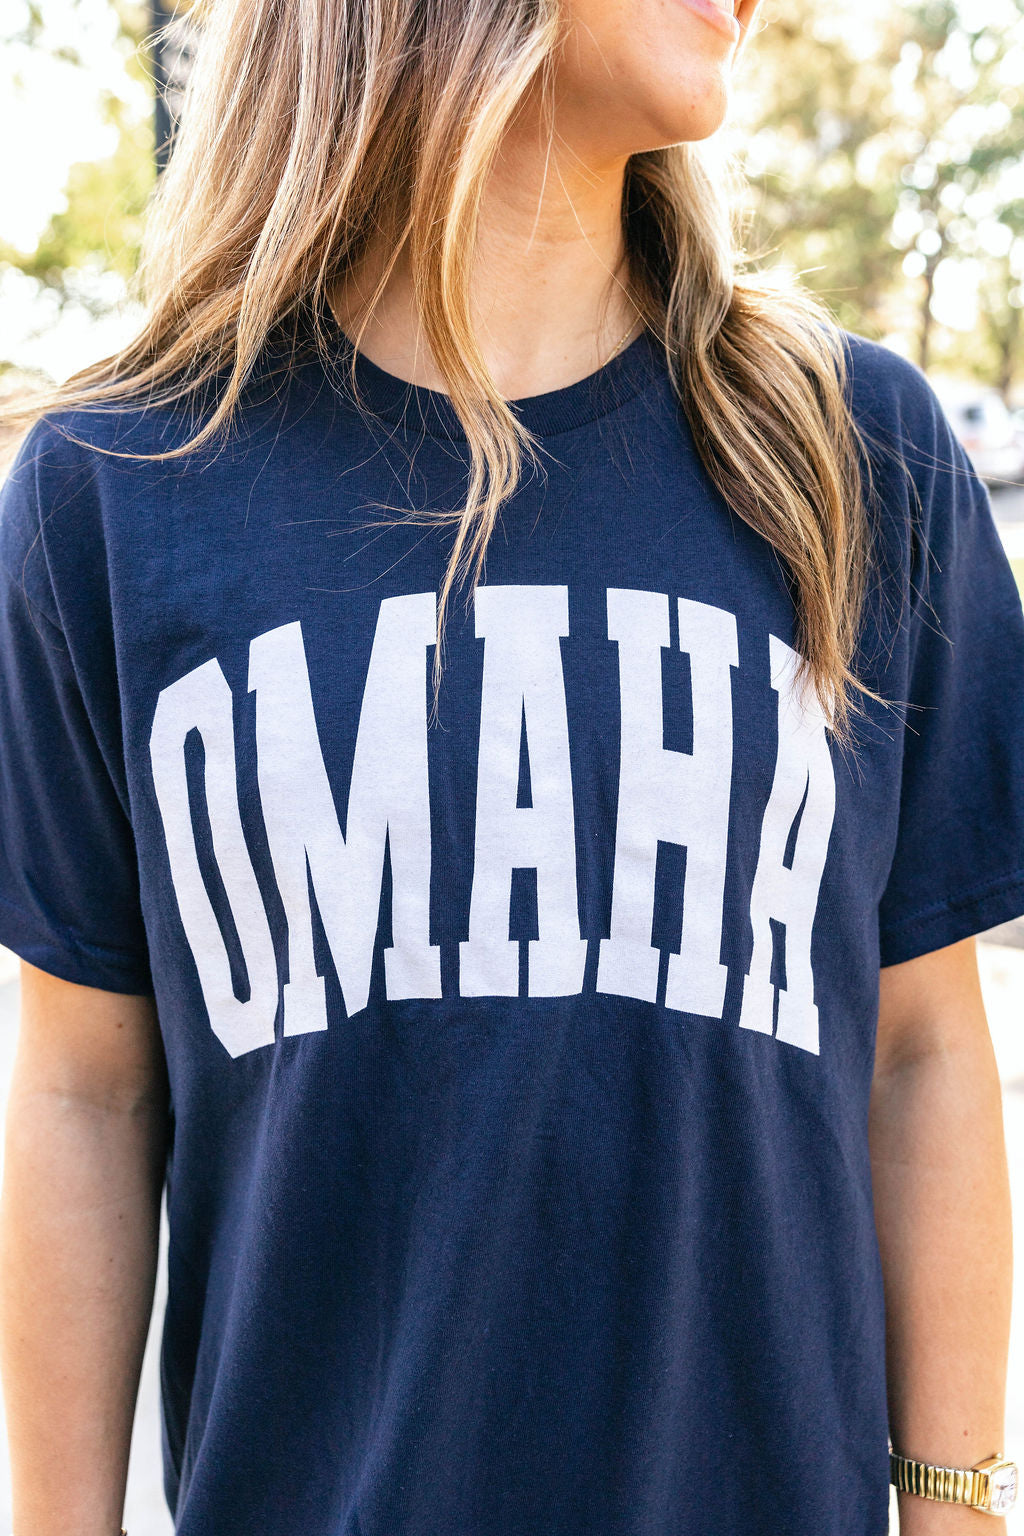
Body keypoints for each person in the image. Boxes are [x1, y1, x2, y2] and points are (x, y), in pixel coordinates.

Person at [0, 0, 1021, 1531]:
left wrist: (955, 1505)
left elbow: (922, 1052)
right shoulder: (116, 492)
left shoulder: (852, 451)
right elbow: (86, 1092)